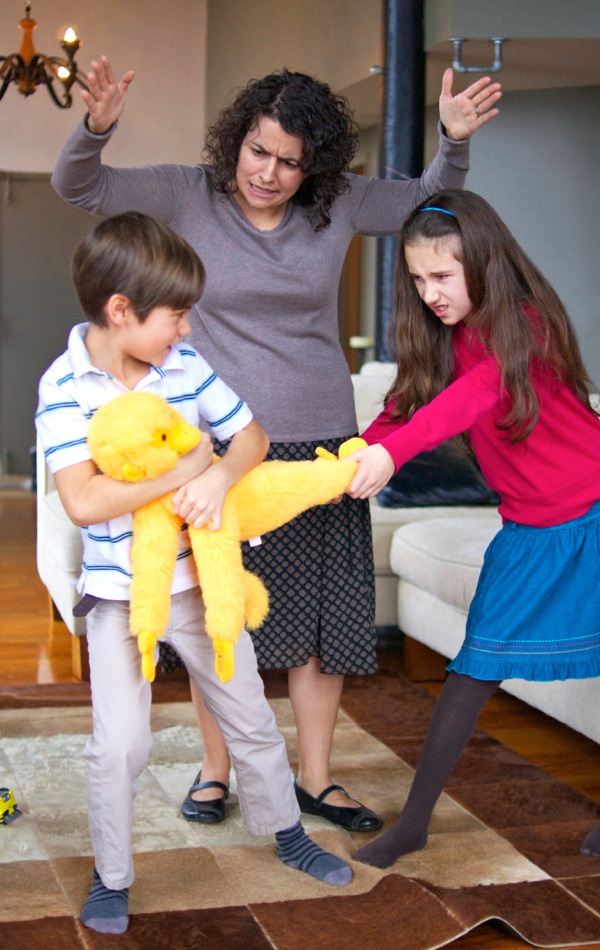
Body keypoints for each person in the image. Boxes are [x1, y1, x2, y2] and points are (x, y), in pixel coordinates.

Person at [51, 56, 501, 832]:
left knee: (322, 620)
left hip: (321, 442)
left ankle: (316, 778)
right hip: (220, 451)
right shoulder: (187, 194)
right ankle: (217, 767)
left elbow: (430, 199)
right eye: (259, 151)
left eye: (291, 162)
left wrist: (452, 140)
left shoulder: (338, 202)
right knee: (218, 614)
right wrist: (96, 126)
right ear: (238, 140)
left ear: (314, 166)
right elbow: (79, 185)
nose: (269, 173)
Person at [35, 212, 354, 935]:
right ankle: (112, 875)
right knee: (120, 744)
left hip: (204, 586)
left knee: (250, 716)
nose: (185, 329)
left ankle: (288, 833)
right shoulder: (63, 388)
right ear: (122, 310)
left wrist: (217, 477)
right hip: (120, 601)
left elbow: (251, 436)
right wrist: (185, 468)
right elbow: (82, 501)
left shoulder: (185, 364)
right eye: (176, 315)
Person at [337, 189, 600, 869]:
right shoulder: (442, 338)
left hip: (594, 509)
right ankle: (414, 824)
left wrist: (395, 455)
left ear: (482, 263)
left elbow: (468, 400)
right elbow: (405, 407)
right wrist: (353, 456)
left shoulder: (528, 326)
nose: (430, 294)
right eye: (418, 279)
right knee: (472, 669)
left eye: (442, 276)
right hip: (530, 529)